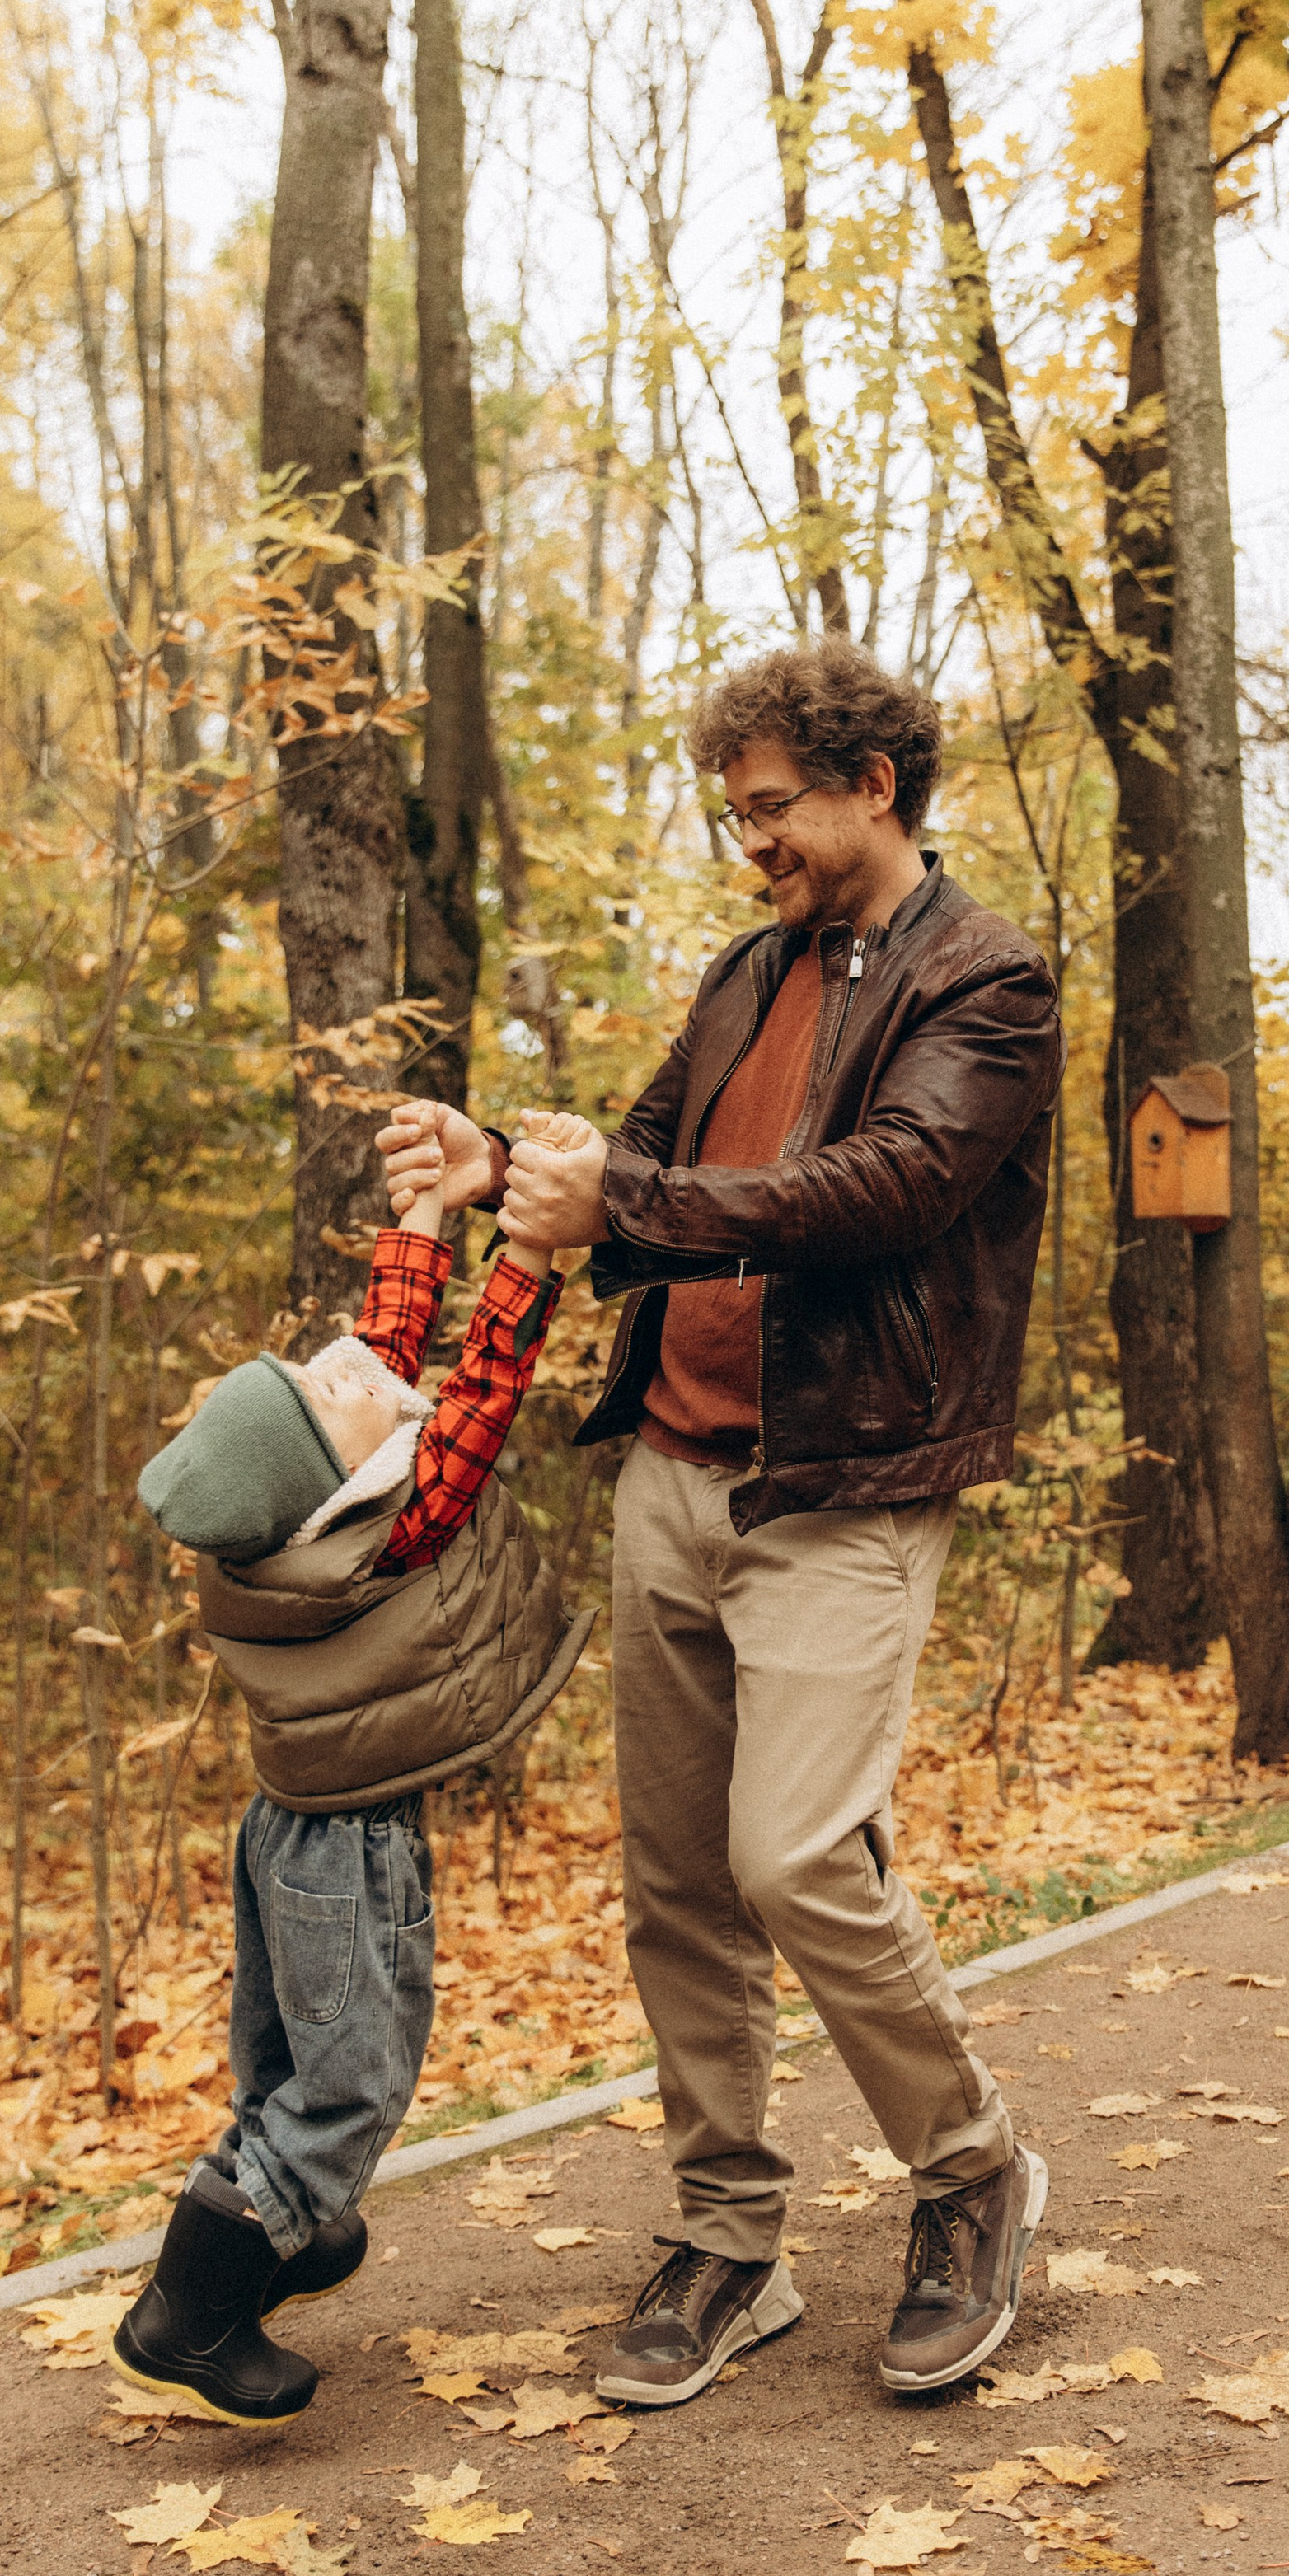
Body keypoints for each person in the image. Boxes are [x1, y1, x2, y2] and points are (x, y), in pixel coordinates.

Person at [381, 635, 1064, 2406]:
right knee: (680, 1885)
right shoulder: (744, 972)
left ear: (873, 791)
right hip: (671, 1472)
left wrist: (640, 1194)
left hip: (843, 1484)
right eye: (736, 809)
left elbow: (884, 1187)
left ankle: (972, 2170)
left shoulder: (983, 984)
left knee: (794, 1857)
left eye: (771, 810)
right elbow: (642, 1182)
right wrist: (505, 1179)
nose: (747, 841)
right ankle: (724, 2232)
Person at [115, 1116, 593, 2426]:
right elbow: (478, 1395)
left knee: (282, 2067)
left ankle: (282, 2225)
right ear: (337, 1481)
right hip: (351, 1846)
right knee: (352, 2082)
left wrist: (428, 1221)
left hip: (288, 1830)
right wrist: (533, 1257)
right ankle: (189, 2317)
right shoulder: (387, 1529)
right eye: (327, 1396)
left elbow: (378, 1366)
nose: (346, 1369)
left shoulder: (292, 1529)